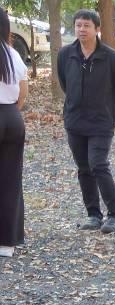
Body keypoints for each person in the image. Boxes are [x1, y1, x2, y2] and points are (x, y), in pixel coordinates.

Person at [57, 9, 115, 234]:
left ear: (97, 29)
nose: (81, 29)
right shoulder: (66, 54)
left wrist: (114, 117)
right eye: (78, 25)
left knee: (98, 164)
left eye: (86, 26)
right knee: (83, 168)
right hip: (75, 121)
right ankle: (93, 214)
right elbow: (64, 83)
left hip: (101, 122)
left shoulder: (111, 57)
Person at [0, 6, 26, 259]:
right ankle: (7, 243)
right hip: (12, 117)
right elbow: (22, 93)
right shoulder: (13, 54)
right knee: (10, 180)